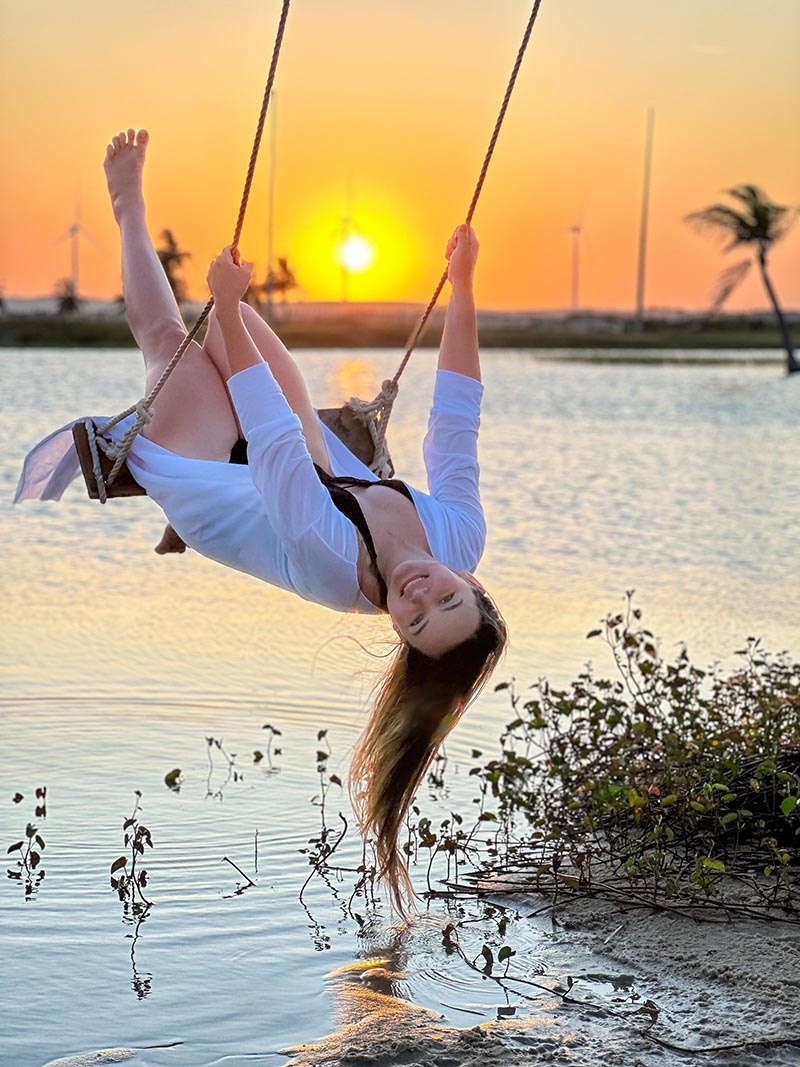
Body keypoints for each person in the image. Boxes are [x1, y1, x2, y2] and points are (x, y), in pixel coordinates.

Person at [17, 129, 507, 907]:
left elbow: (270, 441)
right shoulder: (460, 534)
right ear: (472, 583)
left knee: (177, 343)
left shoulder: (332, 560)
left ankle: (126, 202)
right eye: (446, 597)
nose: (419, 593)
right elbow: (456, 417)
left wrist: (228, 305)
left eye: (414, 620)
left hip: (225, 488)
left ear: (399, 633)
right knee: (228, 326)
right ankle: (216, 332)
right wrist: (465, 285)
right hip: (314, 470)